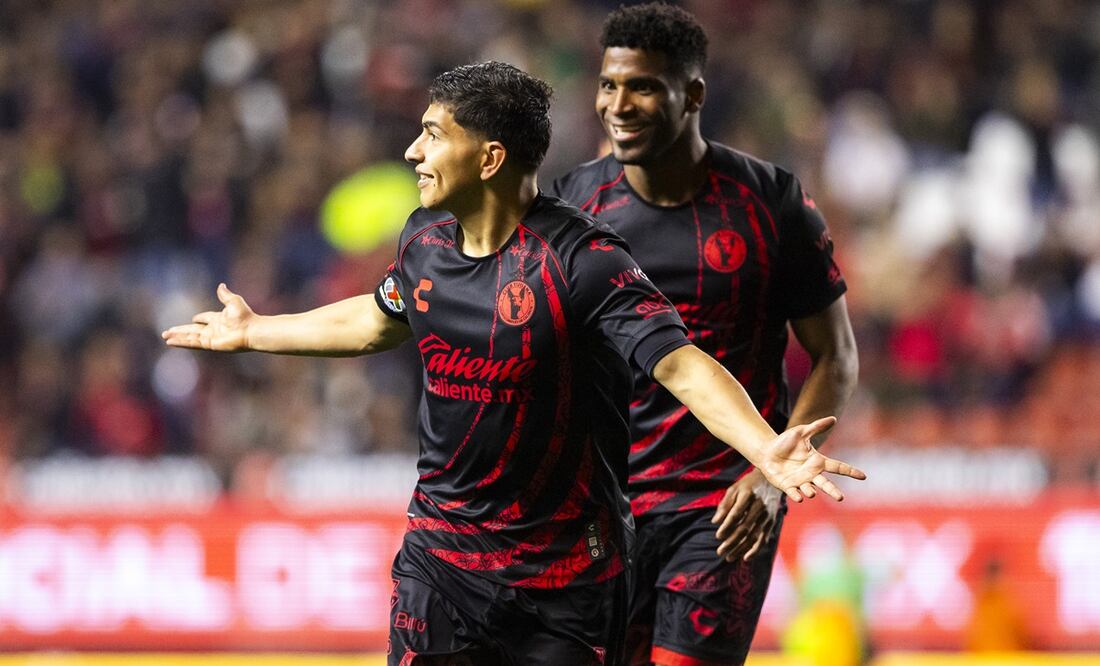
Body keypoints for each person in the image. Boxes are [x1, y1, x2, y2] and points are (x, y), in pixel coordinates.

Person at [164, 61, 863, 666]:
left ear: (490, 158)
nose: (412, 151)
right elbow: (379, 320)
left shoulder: (585, 262)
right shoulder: (422, 242)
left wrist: (765, 449)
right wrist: (258, 331)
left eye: (433, 135)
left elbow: (681, 366)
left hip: (566, 578)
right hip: (443, 559)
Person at [548, 4, 859, 665]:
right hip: (601, 512)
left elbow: (835, 355)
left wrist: (771, 476)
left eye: (642, 87)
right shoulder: (572, 207)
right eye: (609, 85)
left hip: (722, 506)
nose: (619, 105)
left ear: (692, 94)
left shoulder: (770, 203)